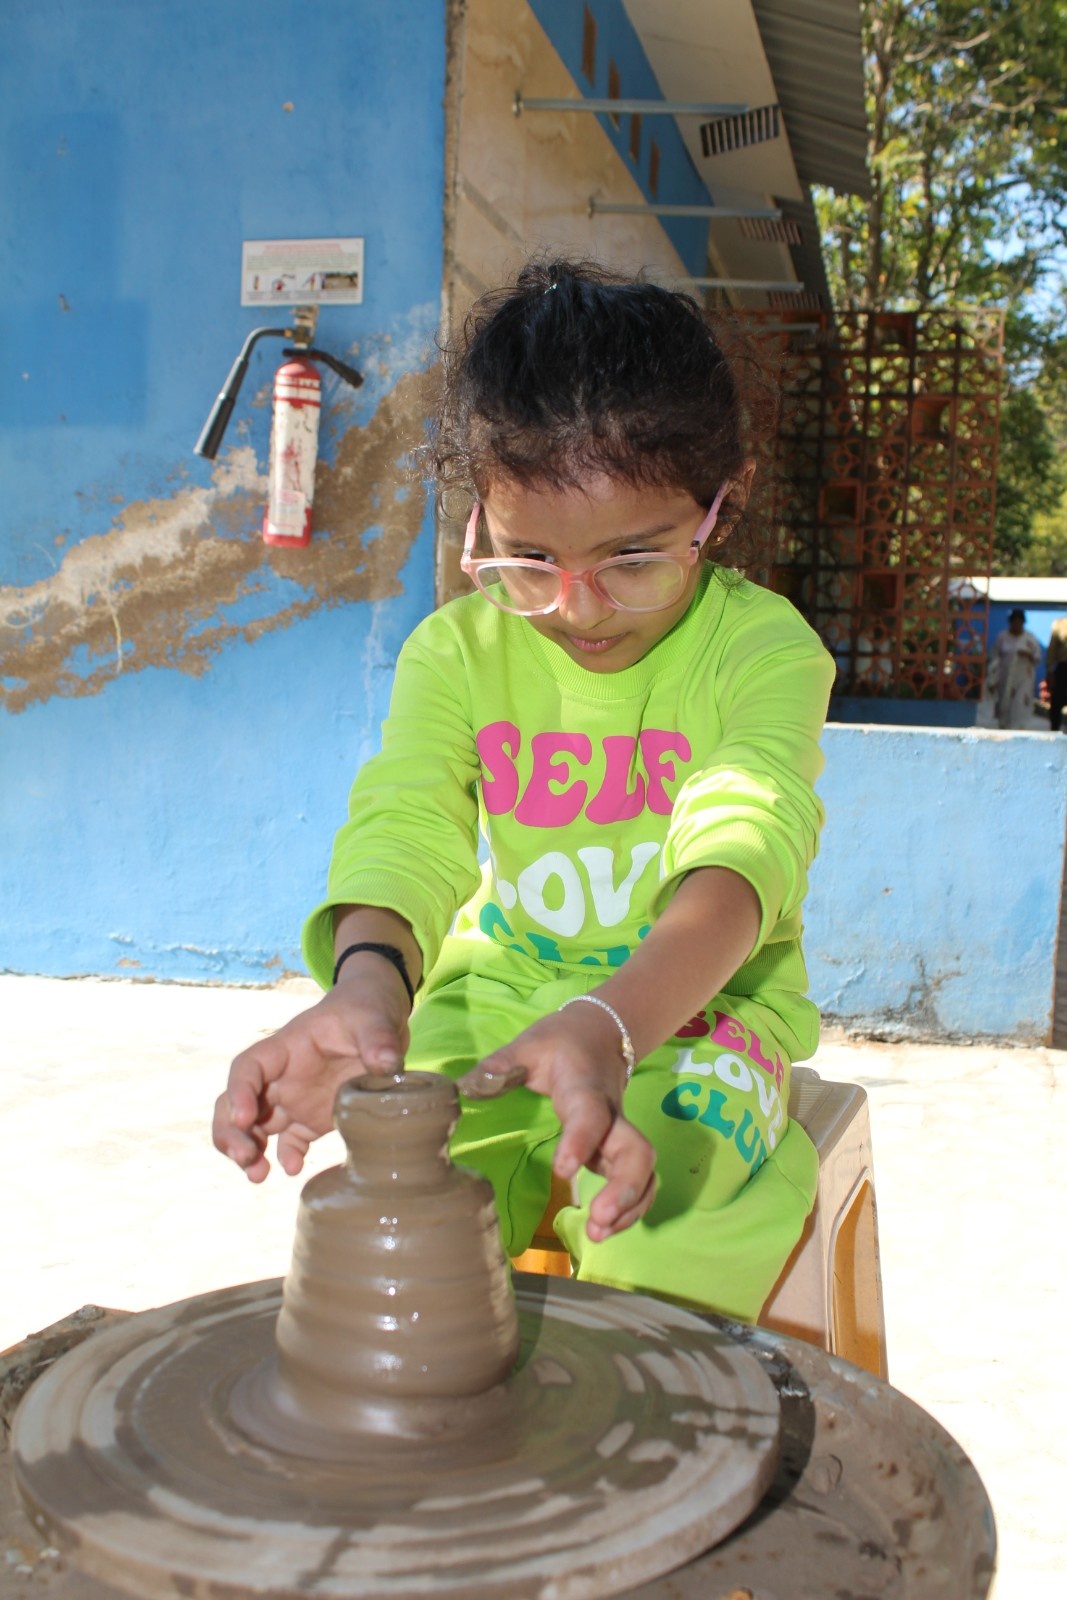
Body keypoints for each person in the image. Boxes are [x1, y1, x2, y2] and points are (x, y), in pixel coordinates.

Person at [212, 259, 836, 1323]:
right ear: (476, 524)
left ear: (717, 510)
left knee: (660, 1204)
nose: (578, 608)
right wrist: (369, 986)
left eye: (633, 560)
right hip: (496, 1001)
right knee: (414, 1220)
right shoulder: (455, 654)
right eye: (525, 561)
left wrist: (611, 1023)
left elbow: (742, 851)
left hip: (695, 1012)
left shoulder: (759, 650)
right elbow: (409, 824)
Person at [988, 608, 1042, 730]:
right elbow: (994, 657)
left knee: (1020, 704)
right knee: (1004, 703)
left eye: (1019, 623)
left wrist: (1028, 655)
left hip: (1023, 678)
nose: (1017, 626)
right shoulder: (1002, 637)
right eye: (1014, 623)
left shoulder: (1030, 638)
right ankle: (1004, 729)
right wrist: (992, 678)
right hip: (1005, 676)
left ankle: (1019, 729)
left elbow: (1037, 657)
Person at [1046, 615, 1067, 732]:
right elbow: (1052, 649)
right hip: (1063, 667)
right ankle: (1055, 730)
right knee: (1057, 701)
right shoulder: (1060, 624)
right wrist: (1049, 671)